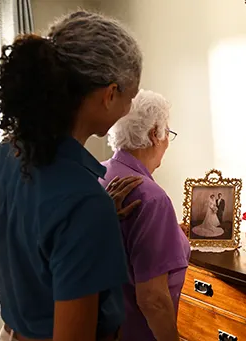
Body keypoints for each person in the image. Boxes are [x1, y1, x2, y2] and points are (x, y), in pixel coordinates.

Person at [0, 11, 142, 341]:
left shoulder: (4, 154)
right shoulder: (84, 203)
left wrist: (91, 225)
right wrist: (91, 217)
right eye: (130, 96)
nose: (129, 109)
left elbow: (33, 241)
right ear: (110, 94)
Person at [99, 89, 190, 341]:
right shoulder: (151, 197)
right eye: (167, 133)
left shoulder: (97, 174)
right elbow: (153, 300)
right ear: (154, 134)